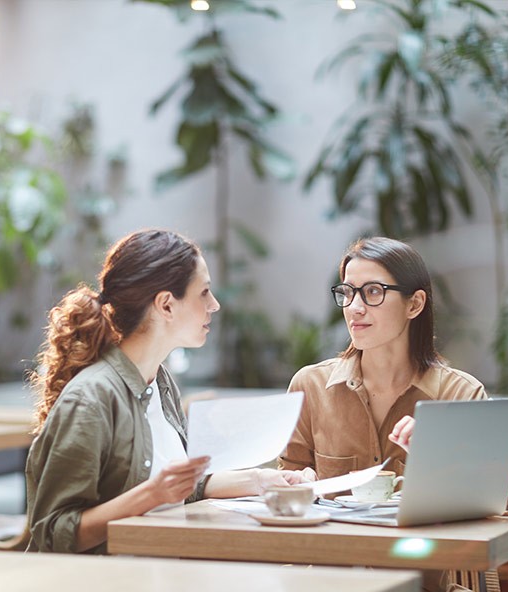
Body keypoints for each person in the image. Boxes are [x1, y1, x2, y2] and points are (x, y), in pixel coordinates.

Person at [26, 228, 313, 554]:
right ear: (166, 305)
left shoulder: (159, 383)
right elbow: (53, 534)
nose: (214, 305)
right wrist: (152, 494)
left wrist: (259, 482)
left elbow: (176, 488)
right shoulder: (91, 398)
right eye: (204, 293)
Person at [278, 236, 508, 592]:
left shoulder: (460, 394)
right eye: (347, 292)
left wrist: (442, 452)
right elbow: (284, 487)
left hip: (425, 589)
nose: (354, 307)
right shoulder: (310, 387)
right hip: (329, 586)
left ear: (415, 303)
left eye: (373, 292)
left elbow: (507, 498)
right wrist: (297, 482)